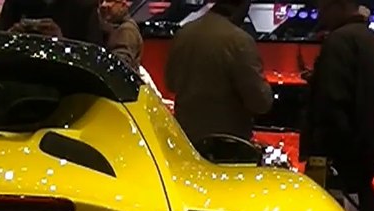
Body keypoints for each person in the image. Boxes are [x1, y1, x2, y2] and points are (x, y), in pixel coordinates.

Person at [300, 0, 374, 211]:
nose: (320, 15)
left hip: (338, 159)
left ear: (340, 6)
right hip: (368, 153)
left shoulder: (339, 42)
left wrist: (325, 151)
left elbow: (331, 103)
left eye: (324, 8)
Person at [164, 0, 272, 143]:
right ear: (242, 7)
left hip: (185, 138)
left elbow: (171, 83)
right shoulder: (239, 41)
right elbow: (261, 101)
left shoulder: (184, 33)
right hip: (226, 142)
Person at [0, 0, 103, 43]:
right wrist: (9, 39)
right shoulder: (15, 2)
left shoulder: (84, 7)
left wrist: (61, 44)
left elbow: (95, 60)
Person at [99, 0, 142, 72]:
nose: (103, 5)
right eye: (101, 1)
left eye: (109, 1)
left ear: (122, 5)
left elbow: (120, 66)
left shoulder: (127, 30)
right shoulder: (106, 28)